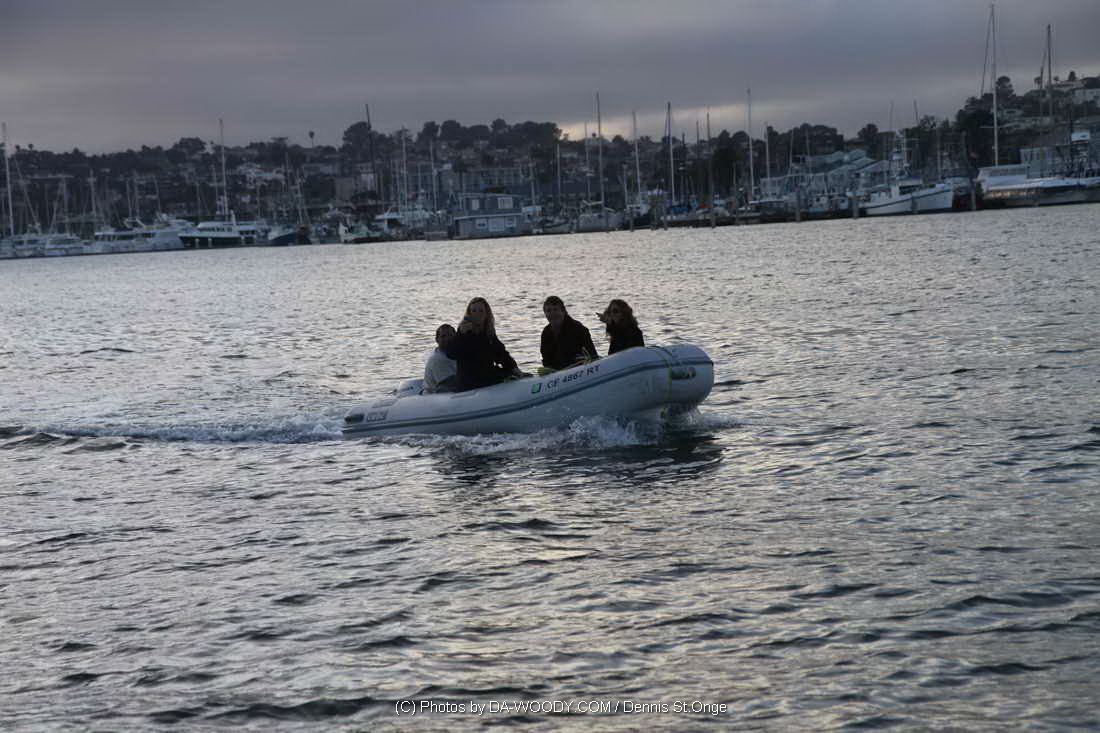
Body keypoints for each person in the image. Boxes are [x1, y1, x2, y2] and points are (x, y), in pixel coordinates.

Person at [444, 297, 523, 391]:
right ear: (469, 314)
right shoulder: (463, 332)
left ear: (486, 314)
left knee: (510, 372)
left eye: (481, 311)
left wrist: (514, 368)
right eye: (474, 311)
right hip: (469, 380)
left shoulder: (489, 334)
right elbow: (451, 354)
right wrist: (461, 334)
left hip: (487, 374)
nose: (477, 314)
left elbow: (501, 354)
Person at [540, 295, 597, 371]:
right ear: (545, 314)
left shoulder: (578, 328)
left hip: (578, 368)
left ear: (563, 312)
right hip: (556, 371)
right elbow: (546, 360)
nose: (552, 313)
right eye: (548, 311)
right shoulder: (546, 333)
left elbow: (593, 355)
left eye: (555, 309)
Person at [423, 323, 458, 393]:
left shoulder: (458, 354)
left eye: (450, 335)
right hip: (434, 395)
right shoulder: (438, 359)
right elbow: (449, 385)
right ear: (437, 339)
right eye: (443, 336)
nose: (447, 338)